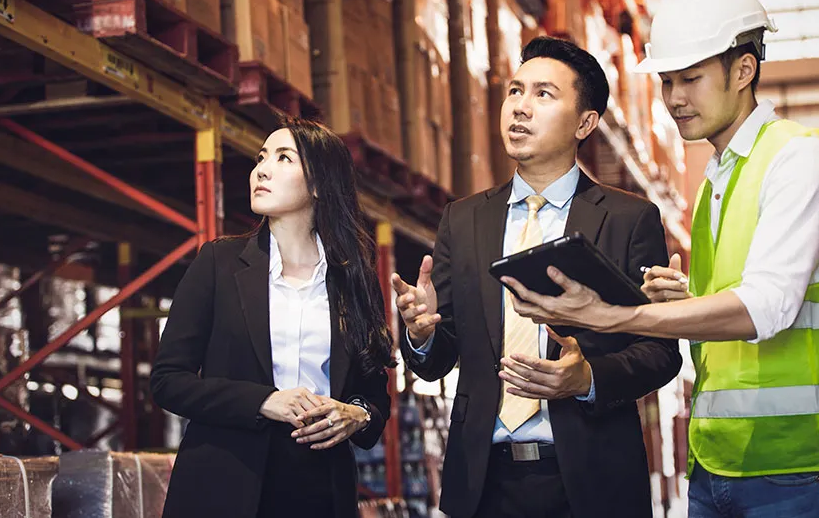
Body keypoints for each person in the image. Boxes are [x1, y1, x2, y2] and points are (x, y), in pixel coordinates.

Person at [506, 0, 819, 517]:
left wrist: (612, 316)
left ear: (744, 69)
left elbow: (766, 307)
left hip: (801, 468)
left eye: (691, 79)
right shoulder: (717, 181)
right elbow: (733, 300)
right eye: (666, 81)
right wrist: (684, 300)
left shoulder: (799, 160)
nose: (674, 98)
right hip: (718, 466)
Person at [393, 36, 683, 518]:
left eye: (543, 95)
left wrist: (587, 378)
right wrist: (421, 335)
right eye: (514, 92)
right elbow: (437, 359)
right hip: (484, 486)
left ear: (585, 123)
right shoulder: (463, 221)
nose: (520, 108)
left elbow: (659, 353)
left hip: (591, 484)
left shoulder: (629, 218)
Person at [151, 116, 393, 518]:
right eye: (261, 157)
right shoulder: (218, 263)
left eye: (284, 158)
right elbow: (167, 381)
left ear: (318, 184)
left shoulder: (354, 279)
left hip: (320, 488)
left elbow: (373, 389)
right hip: (224, 485)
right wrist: (264, 401)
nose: (261, 169)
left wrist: (357, 414)